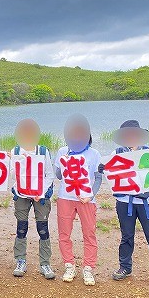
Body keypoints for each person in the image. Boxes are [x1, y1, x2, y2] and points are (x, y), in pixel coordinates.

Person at [98, 120, 149, 291]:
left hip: (147, 203)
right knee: (126, 236)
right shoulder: (117, 152)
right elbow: (109, 171)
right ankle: (125, 267)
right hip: (125, 202)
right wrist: (102, 168)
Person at [54, 114, 102, 286]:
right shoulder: (62, 151)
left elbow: (98, 178)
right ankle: (69, 265)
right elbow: (59, 175)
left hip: (86, 199)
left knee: (89, 233)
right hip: (65, 197)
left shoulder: (94, 153)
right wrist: (62, 164)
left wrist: (91, 195)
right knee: (64, 234)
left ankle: (88, 268)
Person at [10, 119, 56, 280]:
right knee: (21, 227)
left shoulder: (43, 151)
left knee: (42, 228)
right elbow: (12, 175)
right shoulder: (15, 151)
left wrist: (41, 192)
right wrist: (12, 160)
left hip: (40, 196)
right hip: (21, 195)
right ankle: (20, 260)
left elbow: (50, 175)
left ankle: (45, 263)